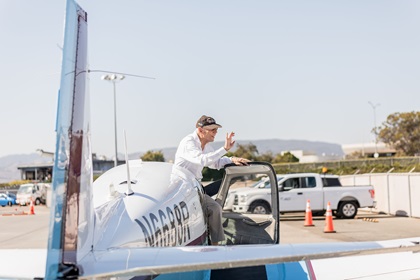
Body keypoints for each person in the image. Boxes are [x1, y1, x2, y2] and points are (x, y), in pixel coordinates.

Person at [174, 115, 250, 245]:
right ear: (200, 130)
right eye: (212, 129)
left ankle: (215, 247)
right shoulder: (188, 142)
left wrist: (232, 160)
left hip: (194, 188)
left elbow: (216, 162)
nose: (216, 132)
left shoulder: (206, 145)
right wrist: (224, 149)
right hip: (180, 190)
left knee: (215, 208)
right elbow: (203, 160)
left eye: (216, 129)